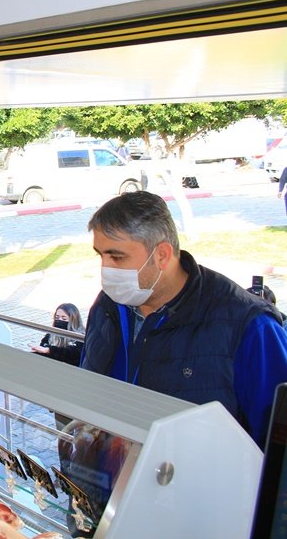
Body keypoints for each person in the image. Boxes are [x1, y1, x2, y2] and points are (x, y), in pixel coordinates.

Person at [81, 191, 287, 447]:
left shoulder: (247, 325)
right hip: (115, 482)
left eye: (117, 257)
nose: (106, 269)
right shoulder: (107, 307)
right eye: (100, 255)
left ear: (162, 255)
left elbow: (277, 444)